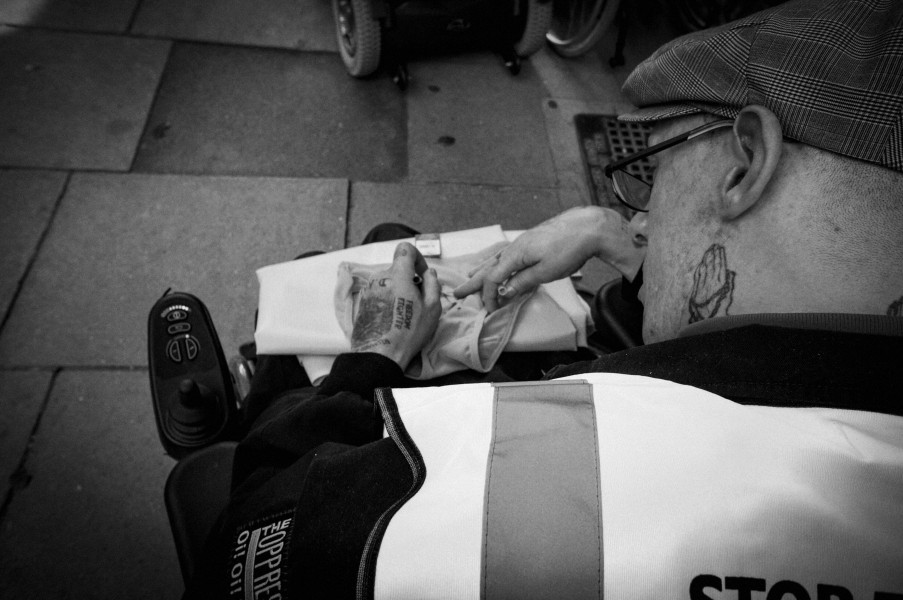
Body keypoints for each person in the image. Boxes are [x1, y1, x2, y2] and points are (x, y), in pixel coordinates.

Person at [184, 0, 903, 598]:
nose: (644, 213)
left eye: (648, 175)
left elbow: (239, 559)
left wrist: (373, 359)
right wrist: (610, 237)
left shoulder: (526, 478)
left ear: (746, 164)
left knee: (318, 337)